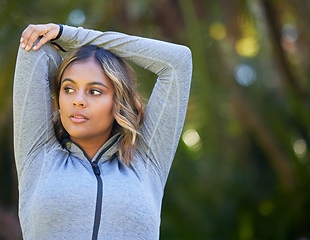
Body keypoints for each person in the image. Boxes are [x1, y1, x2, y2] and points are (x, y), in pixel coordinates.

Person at [13, 23, 192, 240]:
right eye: (68, 88)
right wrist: (73, 44)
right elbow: (37, 48)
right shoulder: (38, 155)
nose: (77, 101)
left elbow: (178, 62)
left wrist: (75, 36)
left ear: (118, 101)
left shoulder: (147, 161)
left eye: (94, 91)